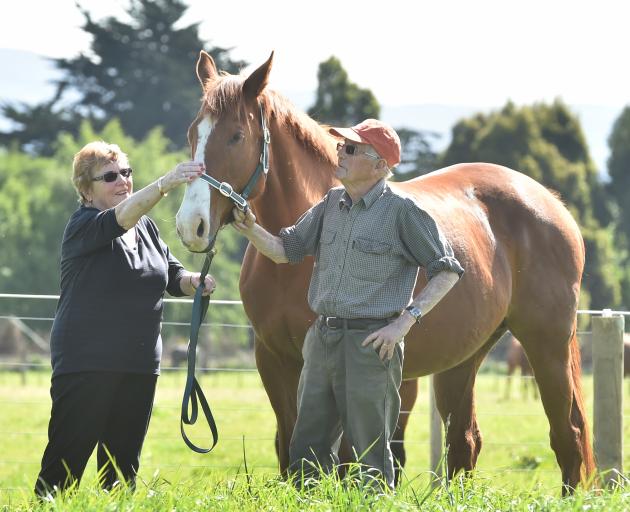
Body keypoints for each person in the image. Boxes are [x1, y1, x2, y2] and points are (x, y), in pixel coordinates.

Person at [232, 119, 464, 490]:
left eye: (351, 149)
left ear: (380, 166)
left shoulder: (403, 212)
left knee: (370, 453)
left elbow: (447, 271)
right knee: (306, 447)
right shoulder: (329, 205)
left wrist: (404, 323)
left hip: (371, 344)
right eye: (341, 146)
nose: (339, 152)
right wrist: (251, 229)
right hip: (322, 338)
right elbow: (284, 250)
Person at [34, 141, 215, 496]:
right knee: (64, 468)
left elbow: (170, 275)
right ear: (86, 190)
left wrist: (193, 282)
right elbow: (120, 219)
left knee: (121, 472)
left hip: (139, 364)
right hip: (87, 364)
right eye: (110, 177)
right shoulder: (84, 226)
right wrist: (165, 183)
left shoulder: (145, 227)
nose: (123, 181)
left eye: (127, 173)